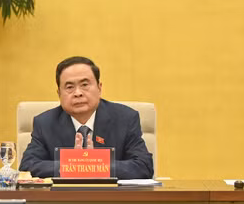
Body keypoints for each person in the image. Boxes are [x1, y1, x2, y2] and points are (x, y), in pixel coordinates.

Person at [19, 56, 154, 179]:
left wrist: (95, 165)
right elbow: (27, 167)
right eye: (69, 87)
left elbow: (144, 166)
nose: (78, 93)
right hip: (63, 202)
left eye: (84, 85)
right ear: (59, 93)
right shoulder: (45, 123)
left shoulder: (125, 118)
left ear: (99, 88)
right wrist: (75, 165)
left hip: (111, 201)